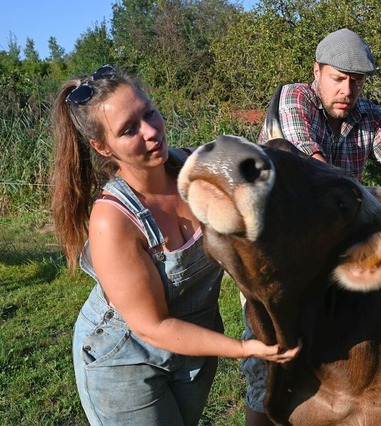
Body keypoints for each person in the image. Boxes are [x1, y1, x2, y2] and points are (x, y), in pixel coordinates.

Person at [51, 64, 299, 425]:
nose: (152, 132)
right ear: (102, 147)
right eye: (129, 129)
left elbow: (265, 190)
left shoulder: (195, 168)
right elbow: (152, 325)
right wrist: (244, 348)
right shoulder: (113, 219)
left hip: (195, 343)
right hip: (125, 357)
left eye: (148, 112)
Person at [245, 28, 381, 425]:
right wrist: (380, 207)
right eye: (338, 77)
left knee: (335, 352)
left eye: (357, 80)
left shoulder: (368, 115)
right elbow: (318, 174)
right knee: (267, 365)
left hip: (328, 252)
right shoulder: (293, 100)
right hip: (273, 261)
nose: (347, 90)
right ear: (316, 72)